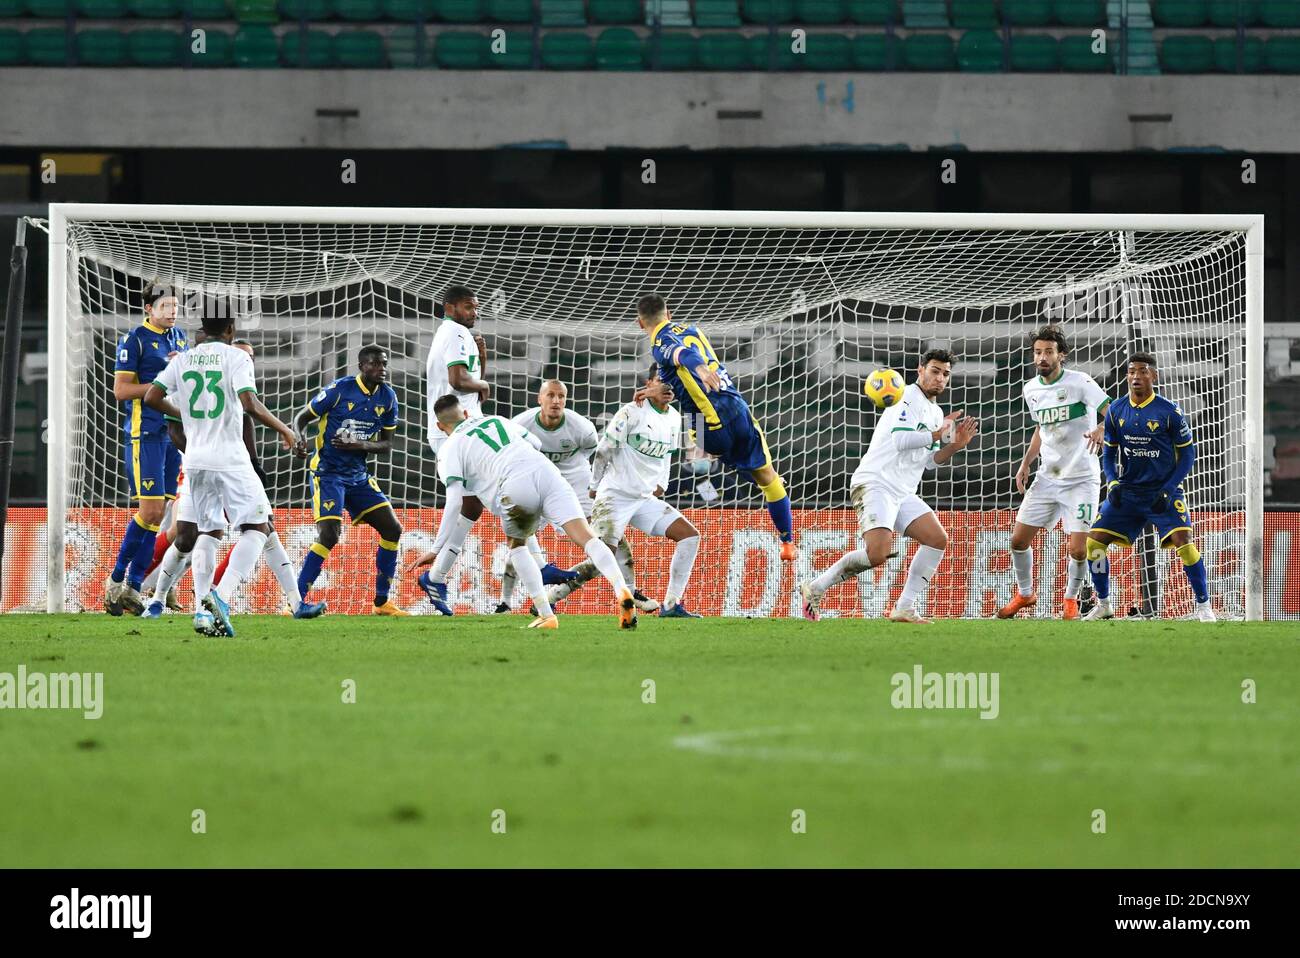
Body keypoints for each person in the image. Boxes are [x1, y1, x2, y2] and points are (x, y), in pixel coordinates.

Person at [799, 350, 978, 624]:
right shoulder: (904, 395)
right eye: (934, 370)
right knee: (878, 554)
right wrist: (938, 434)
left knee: (937, 539)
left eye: (945, 374)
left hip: (902, 490)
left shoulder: (937, 412)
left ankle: (904, 607)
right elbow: (901, 442)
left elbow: (930, 462)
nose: (940, 378)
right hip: (876, 482)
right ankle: (816, 587)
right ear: (920, 370)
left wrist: (954, 444)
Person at [1084, 354, 1214, 622]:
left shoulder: (1169, 411)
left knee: (1185, 544)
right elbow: (1109, 453)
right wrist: (1113, 481)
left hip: (1162, 492)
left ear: (1153, 376)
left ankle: (1203, 607)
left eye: (1142, 371)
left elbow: (1188, 455)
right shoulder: (1117, 410)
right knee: (1093, 543)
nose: (1135, 376)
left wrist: (1168, 488)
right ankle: (1104, 603)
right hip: (1129, 491)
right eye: (1131, 371)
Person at [293, 346, 408, 616]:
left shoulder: (388, 398)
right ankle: (295, 601)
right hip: (328, 472)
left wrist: (358, 444)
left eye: (385, 364)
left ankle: (381, 603)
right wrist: (299, 439)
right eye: (376, 364)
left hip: (358, 476)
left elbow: (387, 444)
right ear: (362, 366)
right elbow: (302, 417)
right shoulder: (339, 390)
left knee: (393, 530)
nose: (382, 369)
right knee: (330, 535)